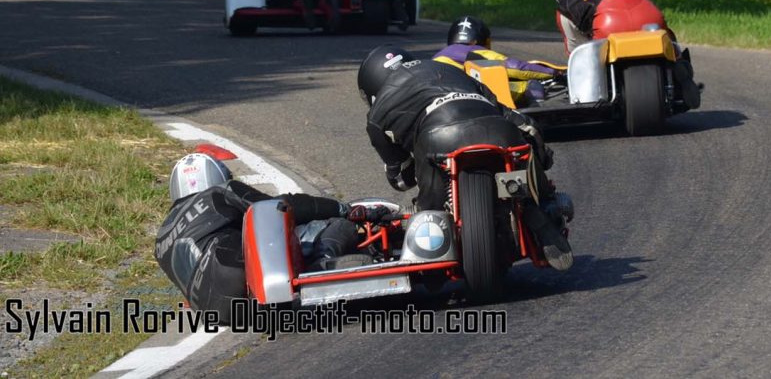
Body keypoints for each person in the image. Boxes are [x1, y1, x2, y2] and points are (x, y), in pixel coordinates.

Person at [358, 45, 574, 270]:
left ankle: (435, 257)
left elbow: (400, 179)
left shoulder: (377, 113)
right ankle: (538, 208)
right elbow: (513, 117)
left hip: (437, 140)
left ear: (372, 86)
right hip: (496, 128)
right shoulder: (449, 69)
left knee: (430, 213)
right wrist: (541, 158)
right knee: (525, 153)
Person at [155, 153, 361, 321]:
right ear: (216, 176)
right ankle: (324, 264)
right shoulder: (217, 192)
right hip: (240, 280)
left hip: (215, 314)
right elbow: (278, 207)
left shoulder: (160, 239)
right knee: (335, 225)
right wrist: (341, 208)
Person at [546, 0, 702, 110]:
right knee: (666, 36)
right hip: (649, 15)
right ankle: (679, 64)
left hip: (609, 25)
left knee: (589, 58)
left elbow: (576, 51)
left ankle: (603, 89)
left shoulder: (565, 5)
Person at [433, 15, 564, 106]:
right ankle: (537, 110)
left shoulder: (439, 55)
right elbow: (516, 68)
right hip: (466, 95)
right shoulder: (477, 53)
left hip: (435, 94)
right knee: (530, 84)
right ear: (483, 39)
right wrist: (554, 72)